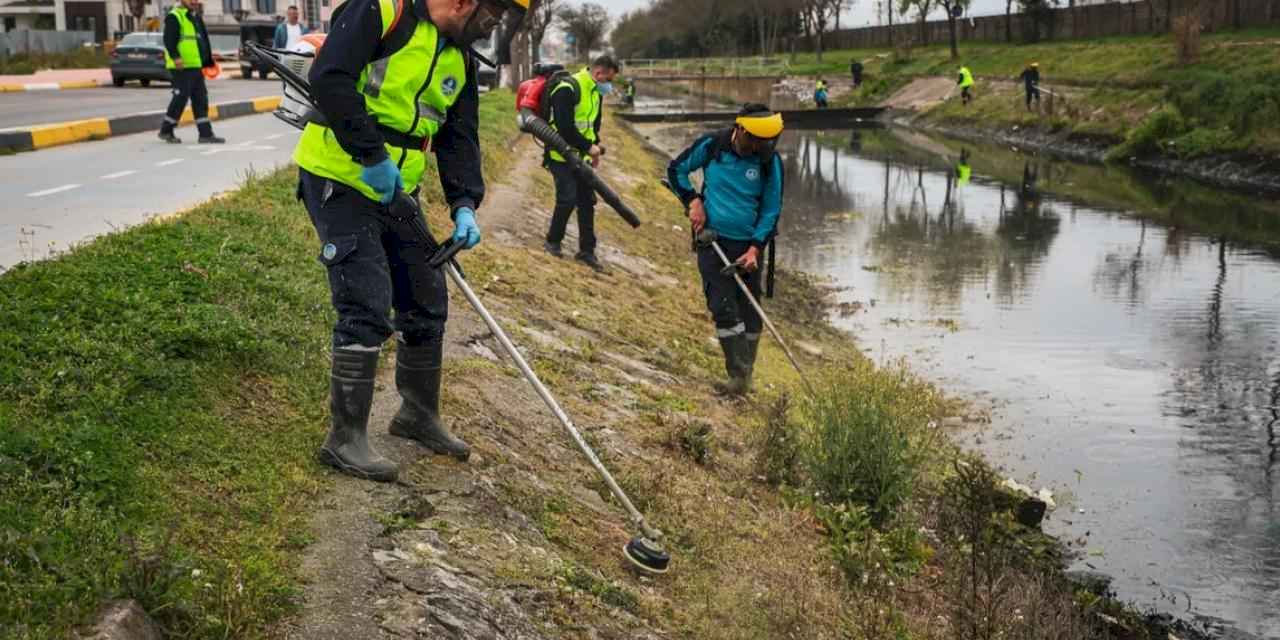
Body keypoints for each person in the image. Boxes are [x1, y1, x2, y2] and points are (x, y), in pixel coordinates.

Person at [293, 0, 528, 482]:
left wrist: (465, 203)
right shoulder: (383, 11)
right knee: (367, 300)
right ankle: (345, 439)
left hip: (401, 191)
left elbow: (460, 136)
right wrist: (370, 155)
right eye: (490, 16)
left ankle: (417, 415)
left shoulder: (457, 56)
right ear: (464, 1)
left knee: (426, 296)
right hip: (340, 176)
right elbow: (331, 78)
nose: (490, 28)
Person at [667, 104, 784, 395]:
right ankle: (737, 376)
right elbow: (676, 170)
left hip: (749, 246)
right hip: (712, 240)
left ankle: (747, 374)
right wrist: (693, 201)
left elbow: (771, 208)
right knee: (723, 307)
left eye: (764, 141)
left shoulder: (769, 160)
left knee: (750, 311)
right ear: (740, 129)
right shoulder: (712, 145)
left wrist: (756, 249)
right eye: (753, 139)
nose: (757, 146)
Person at [542, 54, 621, 273]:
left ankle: (587, 251)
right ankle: (552, 242)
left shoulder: (596, 92)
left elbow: (592, 125)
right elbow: (565, 128)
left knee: (587, 202)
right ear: (598, 74)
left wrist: (594, 148)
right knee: (566, 199)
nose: (609, 85)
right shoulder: (568, 88)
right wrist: (589, 146)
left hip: (582, 157)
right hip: (560, 155)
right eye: (609, 80)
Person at [158, 0, 224, 144]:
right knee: (180, 97)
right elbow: (168, 40)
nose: (194, 1)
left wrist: (207, 61)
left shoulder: (195, 17)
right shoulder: (175, 16)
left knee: (201, 98)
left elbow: (202, 41)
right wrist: (176, 57)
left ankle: (205, 134)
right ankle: (166, 130)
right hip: (181, 67)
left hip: (195, 65)